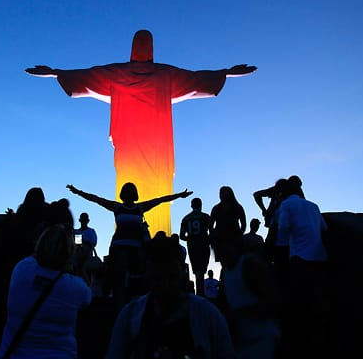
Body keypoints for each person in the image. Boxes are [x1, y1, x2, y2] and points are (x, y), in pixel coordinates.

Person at [26, 29, 256, 236]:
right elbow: (196, 79)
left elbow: (195, 79)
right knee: (141, 187)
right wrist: (225, 72)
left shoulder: (131, 73)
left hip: (148, 146)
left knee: (153, 189)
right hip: (143, 146)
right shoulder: (155, 74)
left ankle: (156, 239)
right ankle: (145, 236)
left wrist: (57, 72)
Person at [105, 234, 236, 359]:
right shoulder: (208, 314)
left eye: (171, 277)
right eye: (157, 278)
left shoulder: (130, 316)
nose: (164, 285)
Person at [66, 183, 192, 307]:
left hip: (136, 249)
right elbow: (96, 199)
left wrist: (179, 195)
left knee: (135, 279)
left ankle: (132, 306)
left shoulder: (139, 208)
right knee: (119, 279)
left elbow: (160, 200)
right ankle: (119, 307)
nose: (128, 194)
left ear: (134, 194)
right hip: (118, 248)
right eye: (126, 191)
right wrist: (78, 192)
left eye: (130, 191)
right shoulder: (117, 207)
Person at [0, 224, 91, 358]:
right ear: (70, 253)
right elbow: (87, 298)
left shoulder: (21, 269)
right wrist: (80, 268)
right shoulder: (76, 287)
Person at [276, 178, 330, 358]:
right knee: (317, 299)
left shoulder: (286, 205)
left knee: (301, 300)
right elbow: (324, 227)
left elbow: (283, 227)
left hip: (299, 257)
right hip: (319, 256)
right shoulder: (314, 206)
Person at [219, 233, 280, 358]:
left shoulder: (249, 266)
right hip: (244, 343)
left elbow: (272, 304)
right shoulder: (226, 272)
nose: (219, 251)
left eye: (222, 245)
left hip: (264, 339)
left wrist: (238, 314)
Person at [180, 198, 211, 296]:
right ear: (200, 205)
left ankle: (199, 292)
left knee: (197, 270)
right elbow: (212, 231)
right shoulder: (205, 217)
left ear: (191, 206)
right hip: (203, 244)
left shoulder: (186, 218)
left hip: (192, 246)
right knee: (201, 270)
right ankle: (200, 293)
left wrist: (189, 238)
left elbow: (181, 236)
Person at [209, 186, 246, 262]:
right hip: (220, 239)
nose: (221, 195)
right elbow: (210, 225)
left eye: (224, 192)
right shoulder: (216, 208)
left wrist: (239, 235)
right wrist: (213, 236)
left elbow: (244, 224)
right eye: (220, 193)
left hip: (234, 238)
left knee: (235, 261)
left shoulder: (238, 207)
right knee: (224, 262)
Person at [73, 213, 98, 279]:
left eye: (85, 219)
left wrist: (83, 240)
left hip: (88, 256)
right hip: (78, 256)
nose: (84, 221)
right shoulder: (77, 231)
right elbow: (77, 244)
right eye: (82, 219)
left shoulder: (91, 231)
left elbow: (93, 243)